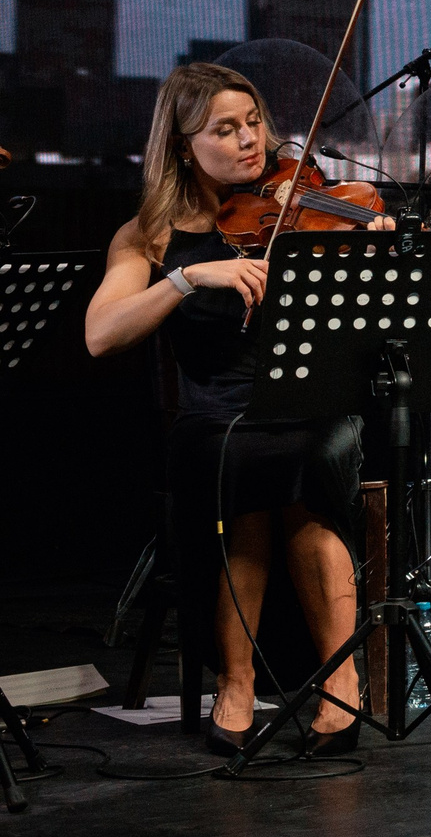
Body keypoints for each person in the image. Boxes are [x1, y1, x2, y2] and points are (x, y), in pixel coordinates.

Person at [83, 63, 394, 757]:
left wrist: (371, 249)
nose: (251, 140)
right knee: (243, 459)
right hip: (215, 413)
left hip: (313, 402)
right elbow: (101, 334)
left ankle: (340, 682)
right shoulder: (150, 235)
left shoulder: (302, 204)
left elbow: (363, 324)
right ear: (180, 143)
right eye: (225, 129)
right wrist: (187, 277)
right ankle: (237, 678)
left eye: (253, 120)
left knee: (305, 455)